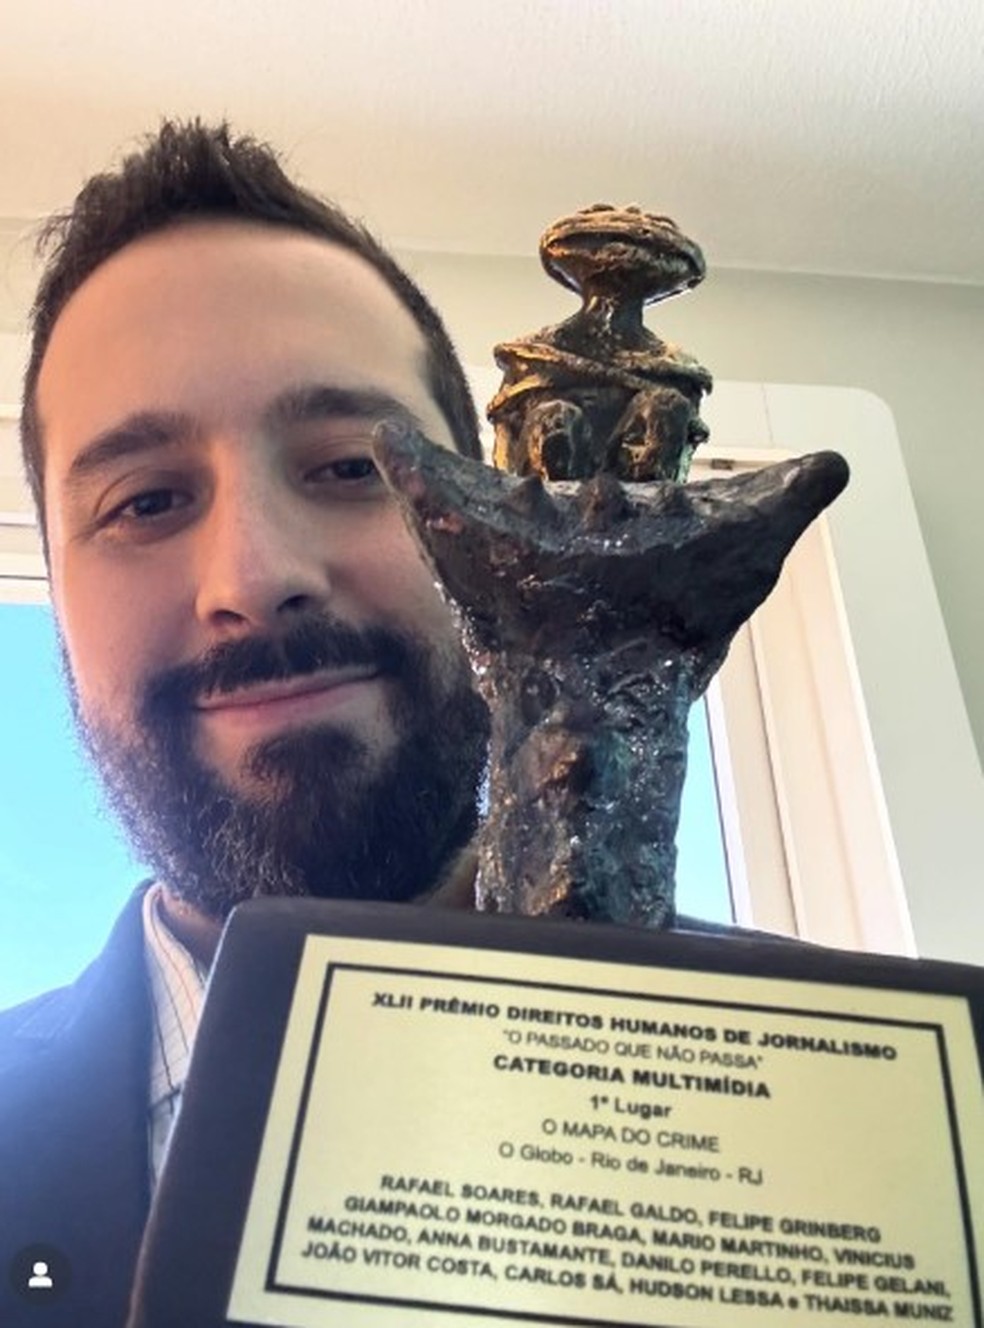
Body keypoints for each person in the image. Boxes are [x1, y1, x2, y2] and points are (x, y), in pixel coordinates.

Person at [0, 119, 492, 1327]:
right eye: (148, 498)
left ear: (494, 532)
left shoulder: (877, 1112)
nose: (254, 575)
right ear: (57, 604)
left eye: (353, 468)